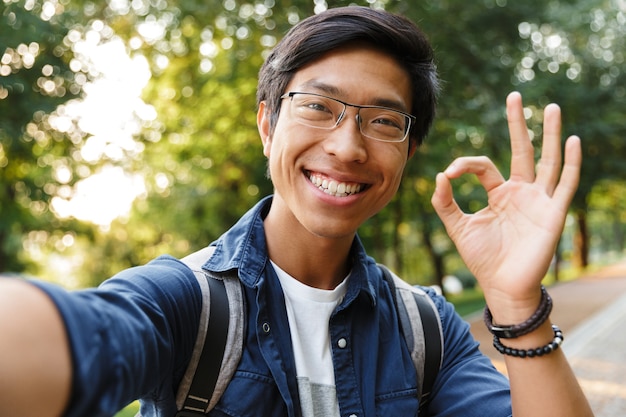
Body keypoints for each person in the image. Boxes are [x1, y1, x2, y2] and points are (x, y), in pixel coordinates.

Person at [0, 6, 593, 417]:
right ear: (267, 123)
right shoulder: (185, 305)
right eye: (317, 106)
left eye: (383, 120)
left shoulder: (427, 331)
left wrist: (518, 305)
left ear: (409, 152)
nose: (347, 146)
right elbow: (78, 339)